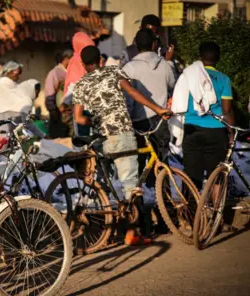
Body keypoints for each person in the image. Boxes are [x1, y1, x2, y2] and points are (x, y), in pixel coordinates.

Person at [72, 46, 172, 245]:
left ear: (83, 65)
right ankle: (132, 233)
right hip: (122, 133)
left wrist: (96, 121)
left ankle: (106, 233)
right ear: (100, 60)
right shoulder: (113, 71)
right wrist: (158, 109)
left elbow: (78, 118)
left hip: (102, 138)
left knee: (106, 184)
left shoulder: (80, 84)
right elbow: (132, 92)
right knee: (130, 185)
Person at [171, 42, 233, 190]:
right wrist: (230, 132)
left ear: (199, 56)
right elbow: (227, 110)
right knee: (216, 177)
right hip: (216, 131)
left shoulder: (188, 75)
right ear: (218, 58)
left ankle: (191, 211)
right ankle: (216, 212)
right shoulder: (224, 79)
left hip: (192, 129)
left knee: (191, 176)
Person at [123, 29, 176, 179]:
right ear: (154, 45)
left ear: (135, 45)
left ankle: (137, 199)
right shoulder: (165, 65)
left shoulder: (129, 68)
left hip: (137, 122)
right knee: (162, 163)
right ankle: (164, 198)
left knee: (137, 164)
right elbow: (173, 85)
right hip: (160, 121)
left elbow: (127, 98)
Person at [63, 32, 96, 137]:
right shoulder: (94, 58)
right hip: (96, 107)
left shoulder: (76, 60)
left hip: (82, 109)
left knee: (83, 140)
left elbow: (74, 85)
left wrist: (65, 103)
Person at [45, 49, 73, 138]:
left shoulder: (71, 72)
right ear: (67, 59)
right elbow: (50, 94)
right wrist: (53, 111)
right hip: (59, 115)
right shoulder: (55, 73)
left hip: (71, 113)